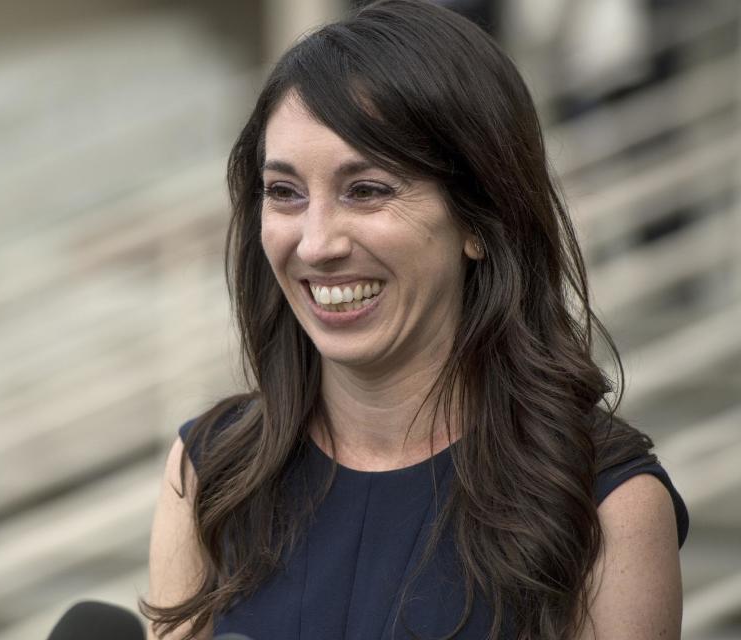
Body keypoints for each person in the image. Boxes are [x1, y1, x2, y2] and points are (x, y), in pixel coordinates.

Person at [142, 1, 689, 638]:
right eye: (285, 192)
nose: (316, 244)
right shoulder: (209, 473)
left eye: (367, 189)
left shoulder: (606, 503)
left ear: (480, 221)